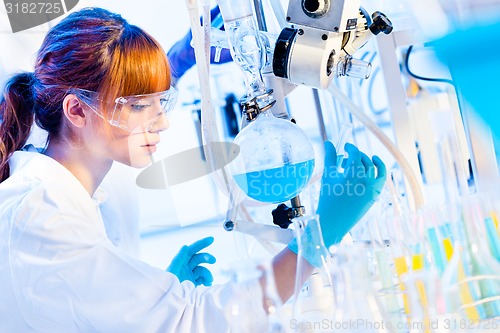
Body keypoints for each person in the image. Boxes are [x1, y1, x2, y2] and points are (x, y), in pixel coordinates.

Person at [0, 7, 386, 332]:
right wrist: (321, 233)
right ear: (77, 110)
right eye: (139, 104)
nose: (162, 122)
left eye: (162, 102)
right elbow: (200, 318)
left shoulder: (62, 193)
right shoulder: (43, 213)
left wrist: (143, 299)